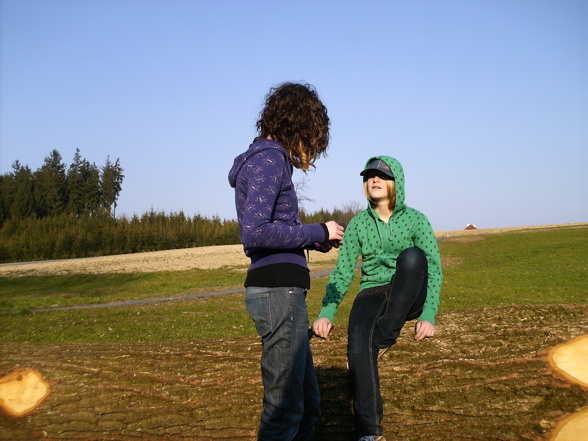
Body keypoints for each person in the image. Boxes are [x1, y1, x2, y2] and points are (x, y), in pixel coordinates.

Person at [228, 82, 344, 441]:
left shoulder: (269, 159)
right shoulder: (269, 158)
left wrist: (316, 238)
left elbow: (273, 229)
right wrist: (316, 228)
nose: (308, 149)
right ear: (296, 124)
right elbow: (256, 233)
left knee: (307, 404)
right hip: (276, 291)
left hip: (285, 290)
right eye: (309, 137)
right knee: (284, 411)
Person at [312, 156, 442, 441]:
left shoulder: (417, 220)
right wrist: (327, 311)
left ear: (396, 182)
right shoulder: (358, 224)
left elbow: (433, 269)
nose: (374, 180)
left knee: (412, 257)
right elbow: (343, 272)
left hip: (409, 292)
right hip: (372, 292)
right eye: (370, 176)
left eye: (382, 176)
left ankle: (383, 338)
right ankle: (370, 433)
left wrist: (428, 315)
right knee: (357, 342)